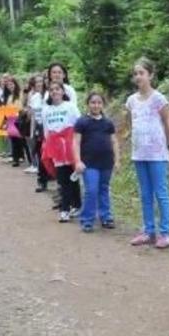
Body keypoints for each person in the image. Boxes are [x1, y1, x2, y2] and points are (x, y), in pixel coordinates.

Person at [126, 58, 169, 249]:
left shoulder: (159, 99)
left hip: (157, 154)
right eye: (136, 73)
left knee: (161, 193)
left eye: (142, 73)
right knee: (145, 194)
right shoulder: (131, 101)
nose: (138, 76)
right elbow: (132, 123)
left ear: (151, 75)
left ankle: (165, 232)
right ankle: (148, 230)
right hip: (139, 154)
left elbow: (168, 121)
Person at [73, 92, 119, 233]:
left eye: (99, 102)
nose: (96, 105)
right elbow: (76, 142)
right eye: (93, 102)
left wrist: (117, 160)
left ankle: (106, 217)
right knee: (91, 190)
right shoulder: (82, 122)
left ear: (103, 105)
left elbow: (114, 141)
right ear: (88, 104)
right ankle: (87, 220)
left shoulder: (108, 123)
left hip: (106, 162)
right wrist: (78, 161)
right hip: (89, 163)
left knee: (104, 189)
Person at [41, 81, 81, 223]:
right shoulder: (46, 110)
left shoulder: (70, 107)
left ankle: (73, 206)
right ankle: (67, 208)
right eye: (51, 90)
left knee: (73, 177)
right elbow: (46, 131)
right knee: (63, 179)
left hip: (70, 146)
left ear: (63, 92)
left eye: (57, 89)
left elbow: (79, 126)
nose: (54, 92)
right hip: (56, 148)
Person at [3, 76, 25, 167]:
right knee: (14, 140)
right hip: (11, 119)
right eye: (8, 85)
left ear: (15, 85)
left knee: (19, 140)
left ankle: (20, 156)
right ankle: (16, 158)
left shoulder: (20, 94)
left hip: (19, 118)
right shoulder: (9, 96)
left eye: (11, 84)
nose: (10, 86)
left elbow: (21, 107)